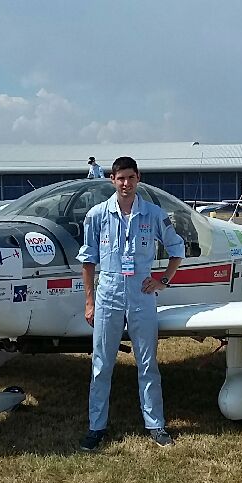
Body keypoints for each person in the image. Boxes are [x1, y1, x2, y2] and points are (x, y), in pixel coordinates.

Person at [77, 156, 184, 450]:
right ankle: (96, 427)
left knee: (147, 363)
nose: (126, 184)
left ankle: (156, 424)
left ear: (138, 179)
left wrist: (163, 280)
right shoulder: (97, 215)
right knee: (101, 365)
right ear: (112, 179)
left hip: (142, 294)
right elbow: (88, 261)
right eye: (120, 178)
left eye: (131, 178)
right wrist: (89, 302)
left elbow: (177, 248)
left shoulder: (153, 214)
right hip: (108, 294)